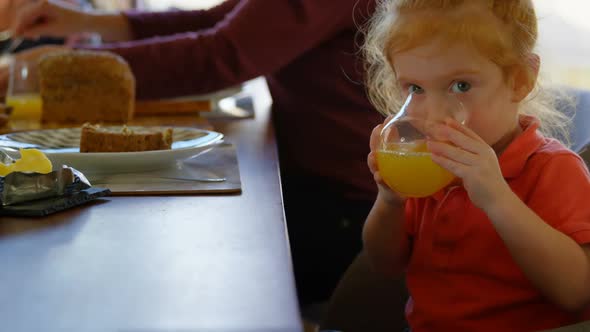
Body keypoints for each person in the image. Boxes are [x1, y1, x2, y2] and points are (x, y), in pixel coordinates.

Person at [4, 0, 383, 307]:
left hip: (345, 210)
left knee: (132, 267)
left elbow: (221, 56)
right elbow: (221, 21)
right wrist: (88, 23)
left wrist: (66, 69)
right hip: (321, 187)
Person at [362, 0, 590, 331]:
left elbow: (576, 292)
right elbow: (384, 265)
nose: (434, 115)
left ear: (520, 80)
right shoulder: (427, 164)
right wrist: (389, 201)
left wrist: (497, 198)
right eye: (416, 89)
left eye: (461, 86)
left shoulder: (554, 171)